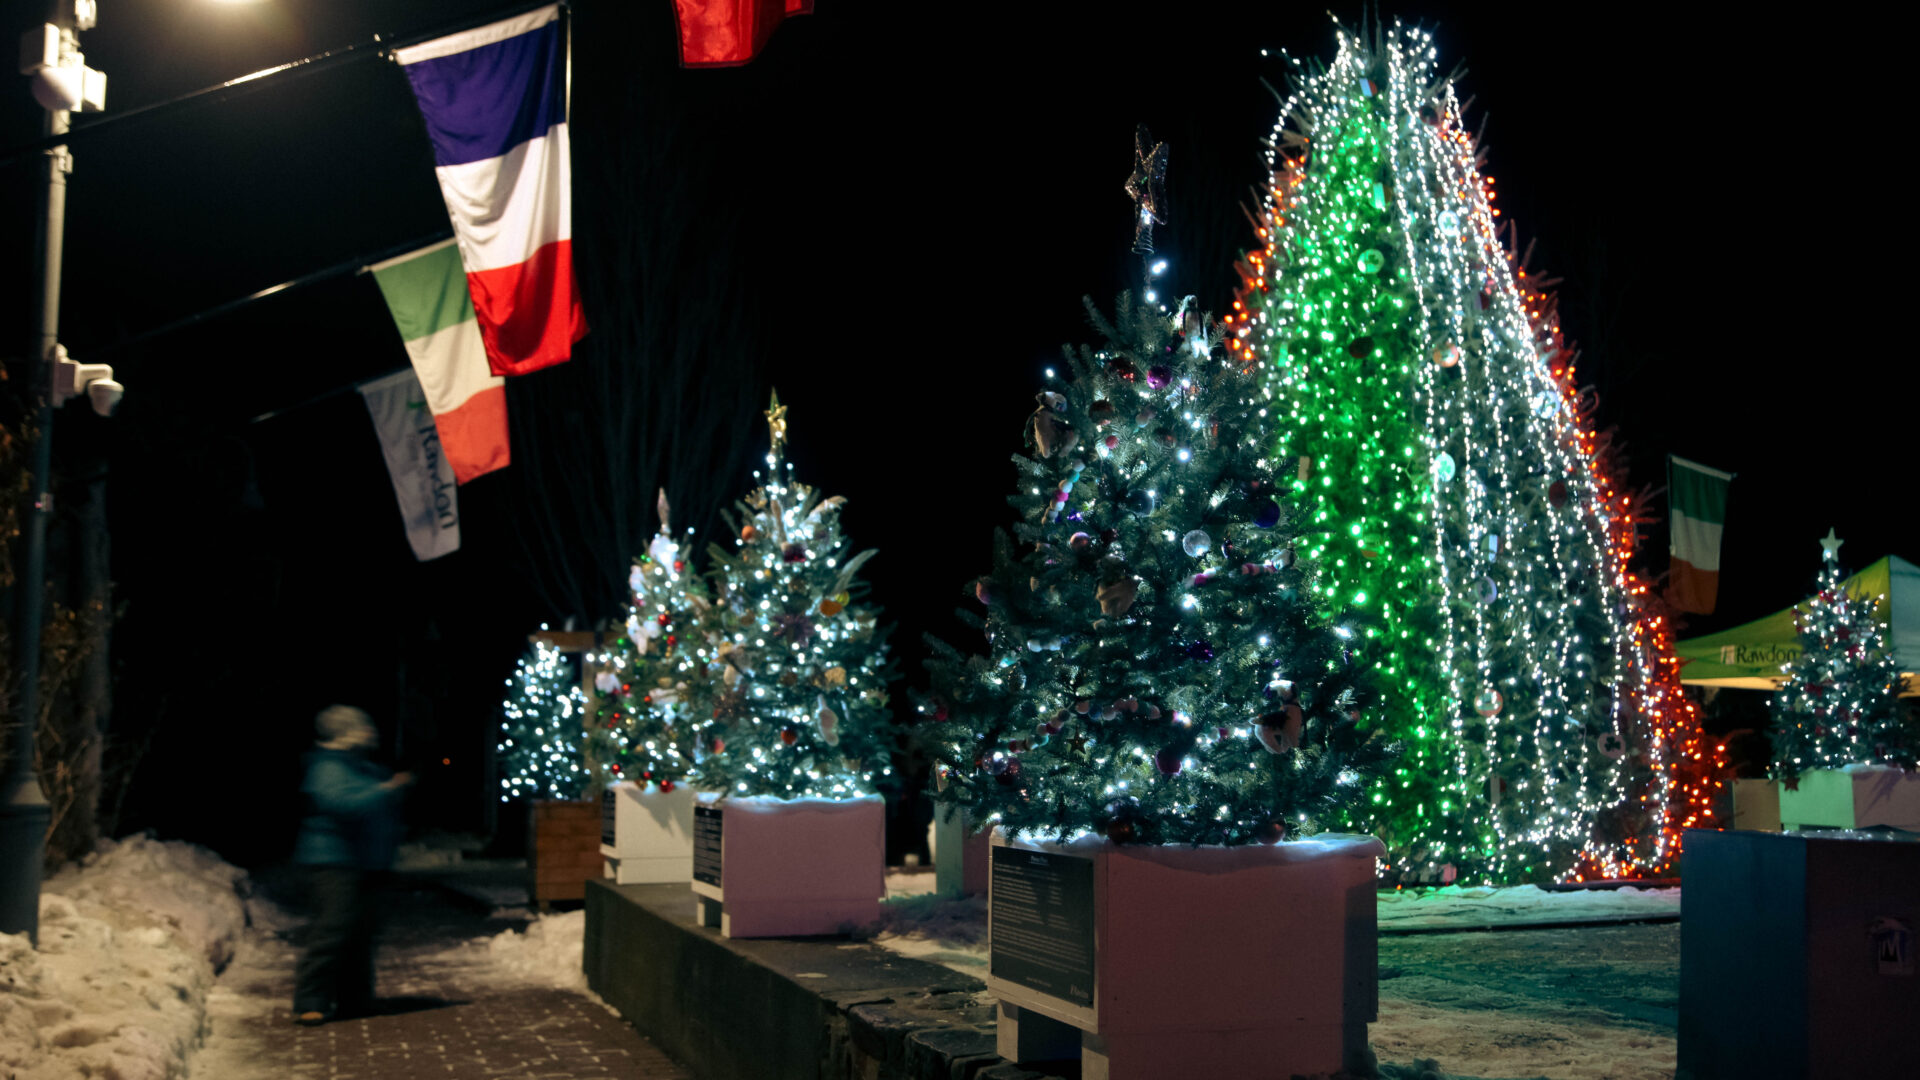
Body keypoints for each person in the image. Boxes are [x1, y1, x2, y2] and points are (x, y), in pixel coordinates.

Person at [291, 705, 412, 1025]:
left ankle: (356, 1000)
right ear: (344, 733)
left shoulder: (360, 767)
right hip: (332, 863)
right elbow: (342, 804)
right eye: (362, 728)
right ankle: (310, 1000)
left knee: (361, 934)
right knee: (332, 931)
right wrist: (387, 789)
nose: (370, 734)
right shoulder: (328, 767)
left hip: (365, 863)